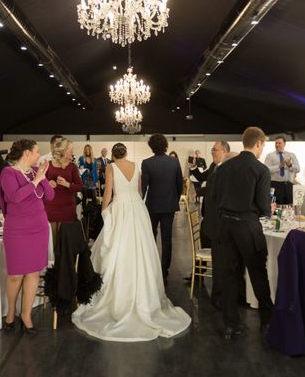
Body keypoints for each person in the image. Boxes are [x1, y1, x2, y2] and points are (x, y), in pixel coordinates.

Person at [72, 143, 191, 341]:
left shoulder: (111, 167)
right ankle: (144, 290)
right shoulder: (136, 165)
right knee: (141, 249)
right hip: (137, 208)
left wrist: (104, 211)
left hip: (120, 208)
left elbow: (108, 192)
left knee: (118, 249)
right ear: (126, 153)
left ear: (112, 154)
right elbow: (139, 190)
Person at [214, 126, 273, 339]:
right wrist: (265, 209)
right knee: (258, 272)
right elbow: (265, 207)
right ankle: (267, 321)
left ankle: (231, 324)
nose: (262, 149)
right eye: (263, 145)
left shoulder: (224, 168)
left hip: (225, 226)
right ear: (258, 143)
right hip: (247, 226)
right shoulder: (261, 170)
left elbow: (215, 198)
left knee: (229, 276)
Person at [0, 140, 54, 334]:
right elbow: (15, 197)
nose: (39, 155)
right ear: (26, 153)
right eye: (37, 152)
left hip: (39, 227)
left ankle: (26, 315)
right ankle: (11, 313)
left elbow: (50, 196)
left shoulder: (35, 171)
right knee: (15, 275)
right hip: (17, 230)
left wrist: (43, 177)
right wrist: (36, 181)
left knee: (33, 273)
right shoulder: (8, 173)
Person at [189, 141, 231, 306]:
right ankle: (198, 274)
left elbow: (213, 188)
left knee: (217, 252)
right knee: (206, 240)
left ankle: (217, 291)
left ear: (225, 151)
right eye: (212, 149)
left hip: (217, 218)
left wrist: (197, 192)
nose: (213, 152)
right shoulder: (214, 166)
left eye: (215, 149)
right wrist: (193, 167)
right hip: (209, 217)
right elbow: (202, 177)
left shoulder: (225, 168)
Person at [141, 134, 183, 285]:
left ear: (151, 146)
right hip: (169, 205)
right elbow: (180, 186)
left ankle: (152, 269)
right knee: (167, 239)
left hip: (152, 205)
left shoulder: (146, 163)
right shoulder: (174, 162)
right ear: (165, 145)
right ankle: (164, 272)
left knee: (151, 237)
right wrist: (174, 199)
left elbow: (144, 187)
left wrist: (140, 203)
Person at [44, 138, 83, 246]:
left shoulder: (72, 167)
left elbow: (80, 187)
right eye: (70, 150)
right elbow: (39, 184)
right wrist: (47, 183)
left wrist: (67, 184)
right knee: (51, 241)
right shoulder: (48, 165)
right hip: (50, 206)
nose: (72, 152)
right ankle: (52, 262)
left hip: (67, 208)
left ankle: (64, 262)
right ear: (63, 150)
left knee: (64, 241)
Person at [263, 136, 300, 205]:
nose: (277, 145)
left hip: (288, 185)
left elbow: (298, 169)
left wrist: (290, 165)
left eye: (279, 143)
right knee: (276, 207)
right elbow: (266, 170)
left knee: (290, 206)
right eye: (276, 143)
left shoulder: (291, 155)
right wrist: (279, 166)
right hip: (275, 185)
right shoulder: (270, 156)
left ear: (284, 144)